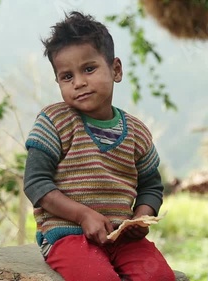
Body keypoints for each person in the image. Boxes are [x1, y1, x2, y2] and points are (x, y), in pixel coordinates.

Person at [23, 11, 175, 281]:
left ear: (116, 69)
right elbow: (36, 184)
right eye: (66, 76)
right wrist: (82, 215)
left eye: (89, 69)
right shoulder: (54, 121)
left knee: (160, 277)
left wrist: (142, 216)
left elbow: (151, 185)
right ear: (57, 81)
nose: (79, 82)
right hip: (66, 236)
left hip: (122, 238)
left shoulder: (137, 133)